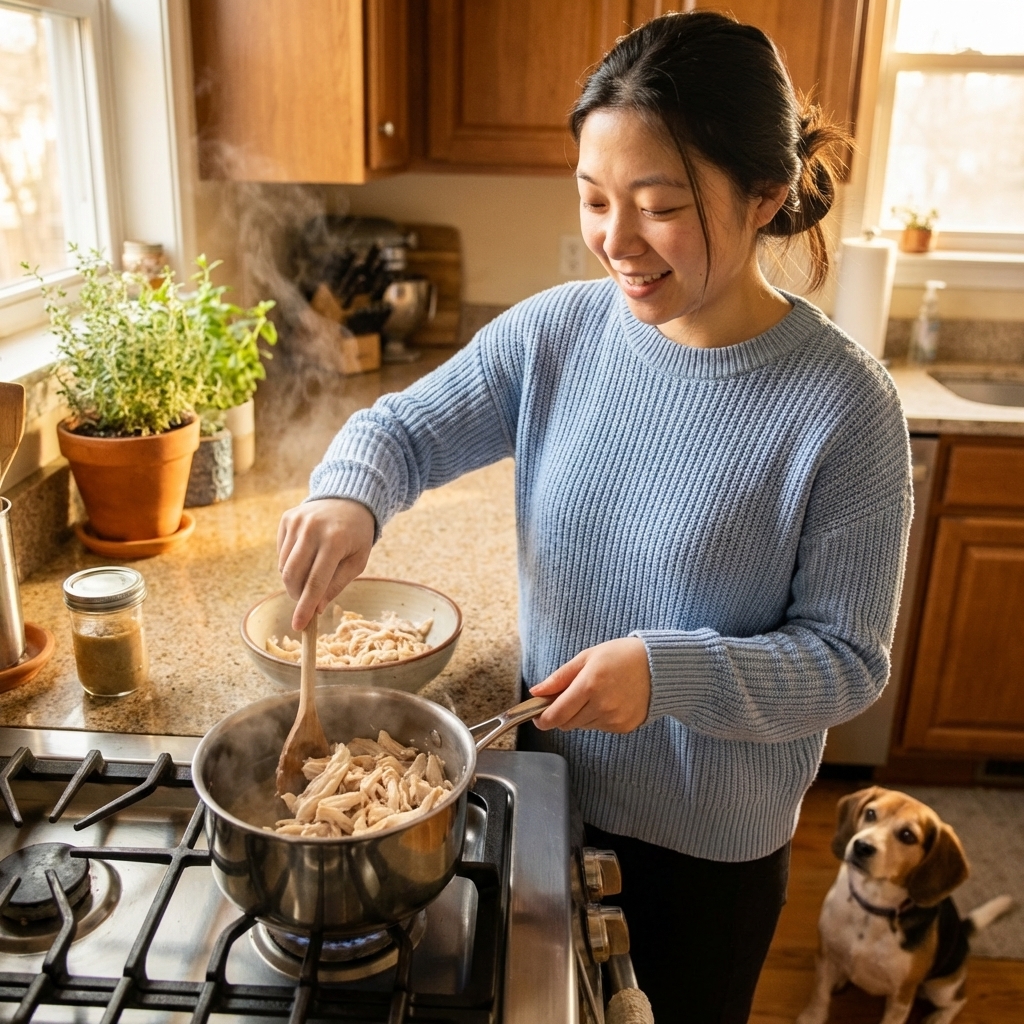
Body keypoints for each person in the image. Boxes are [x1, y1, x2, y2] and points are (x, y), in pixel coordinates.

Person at [277, 11, 912, 1022]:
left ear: (765, 197)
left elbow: (844, 662)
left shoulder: (846, 408)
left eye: (659, 205)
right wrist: (347, 490)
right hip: (548, 802)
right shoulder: (555, 333)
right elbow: (399, 429)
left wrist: (667, 673)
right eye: (592, 197)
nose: (615, 239)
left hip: (708, 854)